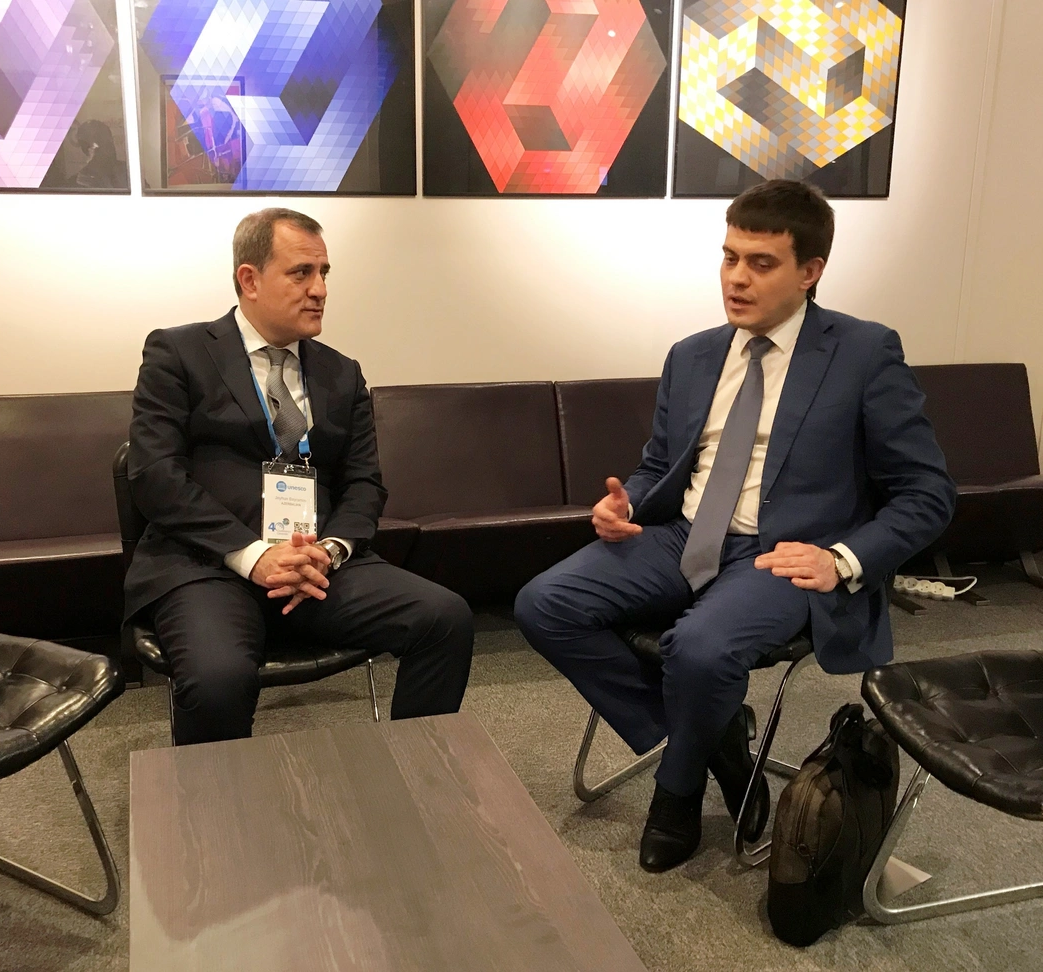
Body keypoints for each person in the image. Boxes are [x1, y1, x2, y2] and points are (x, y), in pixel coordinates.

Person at [514, 180, 956, 872]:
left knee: (699, 650)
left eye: (761, 262)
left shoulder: (864, 353)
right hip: (683, 534)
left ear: (810, 271)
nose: (736, 278)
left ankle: (677, 790)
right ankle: (716, 735)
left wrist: (842, 559)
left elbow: (927, 492)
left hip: (782, 553)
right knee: (544, 603)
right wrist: (627, 503)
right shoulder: (692, 355)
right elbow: (659, 464)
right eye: (729, 258)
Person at [124, 208, 473, 745]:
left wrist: (329, 551)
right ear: (250, 280)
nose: (320, 290)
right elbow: (155, 476)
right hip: (208, 564)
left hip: (317, 565)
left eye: (324, 273)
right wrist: (254, 556)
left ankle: (413, 774)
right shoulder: (179, 353)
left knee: (444, 618)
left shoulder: (341, 372)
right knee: (218, 679)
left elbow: (364, 484)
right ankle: (215, 801)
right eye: (301, 273)